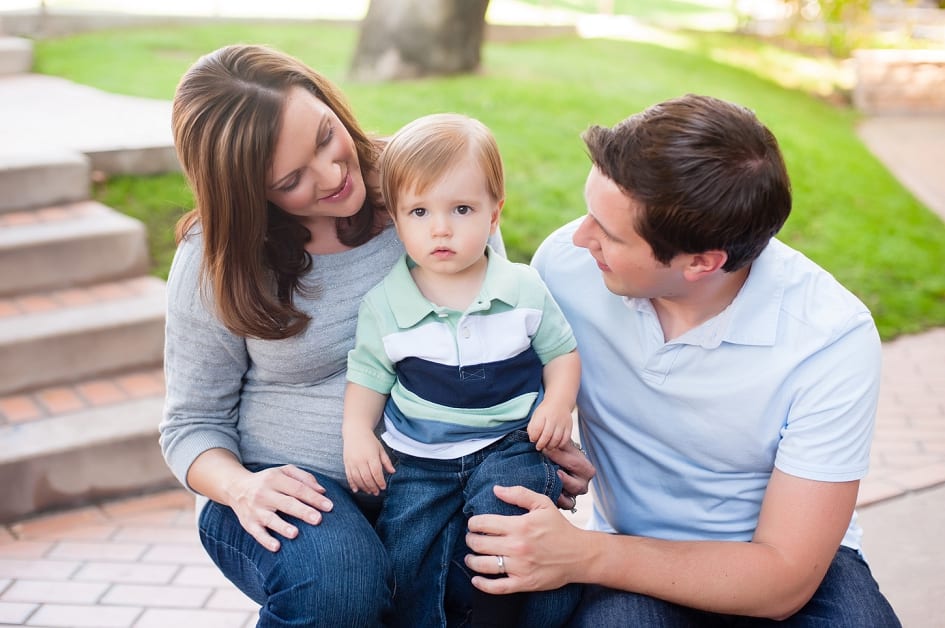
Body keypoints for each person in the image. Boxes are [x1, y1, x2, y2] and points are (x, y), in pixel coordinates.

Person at [158, 44, 594, 627]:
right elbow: (190, 425)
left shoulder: (427, 183)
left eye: (324, 137)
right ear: (248, 193)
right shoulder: (217, 259)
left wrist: (540, 439)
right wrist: (240, 488)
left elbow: (499, 331)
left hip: (442, 469)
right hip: (286, 490)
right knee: (343, 585)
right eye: (291, 179)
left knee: (506, 572)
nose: (333, 175)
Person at [463, 94, 902, 626]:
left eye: (610, 232)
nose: (581, 237)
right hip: (636, 551)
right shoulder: (569, 266)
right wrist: (549, 449)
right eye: (589, 213)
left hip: (783, 565)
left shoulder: (830, 339)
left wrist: (585, 555)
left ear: (701, 262)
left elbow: (785, 575)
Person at [342, 113, 581, 627]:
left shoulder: (522, 288)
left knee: (510, 514)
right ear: (397, 221)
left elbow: (561, 351)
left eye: (462, 208)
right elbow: (368, 377)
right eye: (420, 211)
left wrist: (559, 404)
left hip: (510, 440)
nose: (441, 228)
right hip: (420, 457)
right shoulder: (386, 304)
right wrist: (357, 433)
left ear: (495, 214)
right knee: (405, 551)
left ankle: (497, 617)